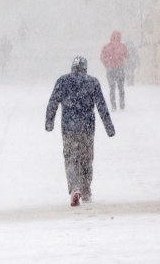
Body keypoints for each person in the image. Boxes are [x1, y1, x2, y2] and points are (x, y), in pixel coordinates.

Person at [45, 56, 115, 206]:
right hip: (87, 128)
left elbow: (53, 102)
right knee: (86, 159)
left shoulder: (63, 81)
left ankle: (75, 187)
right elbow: (101, 106)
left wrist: (49, 121)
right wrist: (109, 127)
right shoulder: (92, 82)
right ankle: (86, 189)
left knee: (71, 158)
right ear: (85, 68)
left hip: (69, 128)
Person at [100, 30, 129, 110]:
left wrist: (107, 64)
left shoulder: (106, 47)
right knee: (121, 88)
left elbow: (102, 57)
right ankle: (122, 104)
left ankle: (113, 105)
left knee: (112, 88)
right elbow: (127, 56)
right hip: (120, 69)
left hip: (110, 70)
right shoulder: (123, 46)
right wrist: (122, 61)